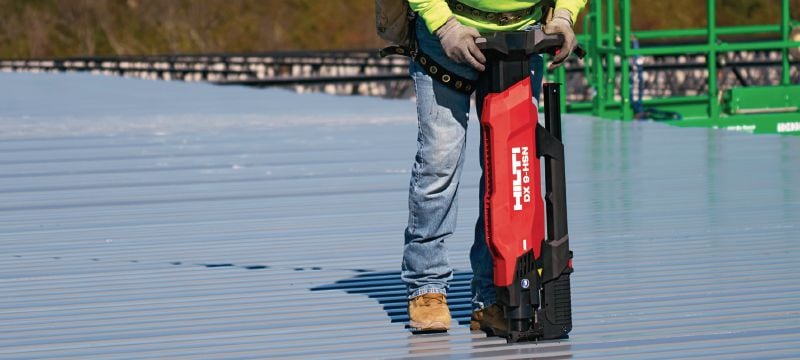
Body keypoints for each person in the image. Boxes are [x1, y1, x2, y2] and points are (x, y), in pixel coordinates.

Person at [401, 0, 586, 334]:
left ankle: (491, 297)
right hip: (449, 30)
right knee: (439, 163)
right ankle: (426, 287)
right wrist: (445, 27)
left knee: (510, 168)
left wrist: (563, 15)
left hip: (523, 38)